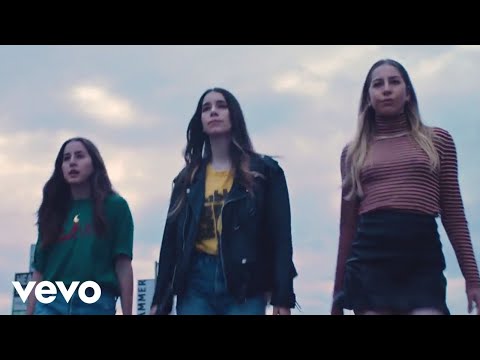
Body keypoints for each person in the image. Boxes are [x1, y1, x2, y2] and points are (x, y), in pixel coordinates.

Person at [331, 59, 480, 315]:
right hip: (370, 260)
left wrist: (473, 279)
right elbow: (348, 226)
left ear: (408, 93)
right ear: (368, 98)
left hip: (421, 258)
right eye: (378, 84)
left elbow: (454, 215)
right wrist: (337, 296)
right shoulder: (353, 152)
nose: (386, 89)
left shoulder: (438, 141)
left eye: (394, 82)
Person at [150, 87, 297, 315]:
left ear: (234, 115)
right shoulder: (187, 179)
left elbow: (280, 237)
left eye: (221, 106)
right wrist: (159, 300)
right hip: (195, 281)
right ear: (200, 121)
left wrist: (283, 296)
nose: (213, 112)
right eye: (206, 108)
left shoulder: (265, 173)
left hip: (245, 283)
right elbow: (170, 241)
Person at [27, 137, 134, 315]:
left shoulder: (116, 207)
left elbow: (123, 264)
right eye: (66, 158)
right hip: (50, 303)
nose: (72, 162)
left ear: (94, 163)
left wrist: (128, 312)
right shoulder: (52, 209)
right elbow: (39, 270)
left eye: (79, 156)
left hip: (96, 303)